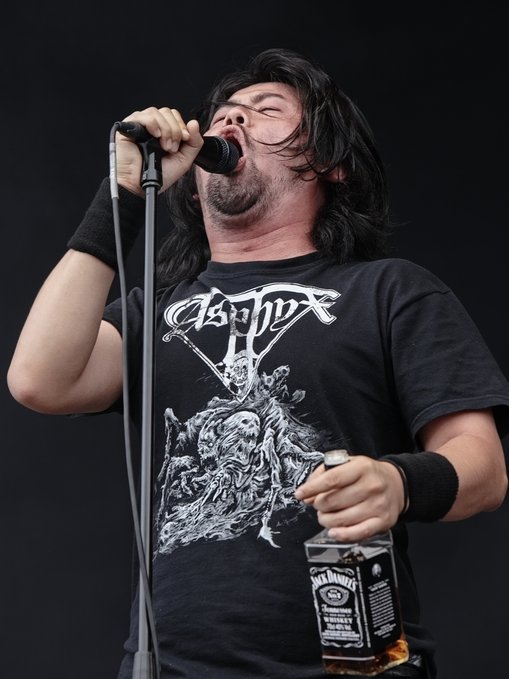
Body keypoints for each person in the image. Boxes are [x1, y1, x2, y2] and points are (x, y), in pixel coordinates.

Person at [7, 48, 509, 679]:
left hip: (355, 665)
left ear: (329, 164)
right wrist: (123, 196)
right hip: (170, 669)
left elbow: (485, 468)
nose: (231, 120)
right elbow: (39, 380)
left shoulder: (389, 291)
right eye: (224, 112)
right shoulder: (155, 311)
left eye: (265, 110)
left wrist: (398, 482)